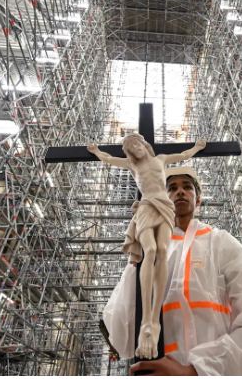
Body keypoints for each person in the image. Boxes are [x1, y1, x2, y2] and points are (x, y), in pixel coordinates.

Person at [103, 166, 242, 375]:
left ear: (198, 199)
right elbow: (121, 334)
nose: (180, 192)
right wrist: (136, 261)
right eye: (172, 188)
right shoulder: (152, 250)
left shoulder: (221, 243)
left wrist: (196, 371)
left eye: (187, 187)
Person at [88, 136, 206, 359]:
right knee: (149, 251)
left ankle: (154, 318)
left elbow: (182, 156)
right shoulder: (132, 165)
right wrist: (96, 151)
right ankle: (146, 322)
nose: (136, 149)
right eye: (131, 147)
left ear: (145, 145)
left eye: (137, 144)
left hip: (164, 205)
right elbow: (109, 159)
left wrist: (197, 148)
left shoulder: (160, 159)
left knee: (162, 250)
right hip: (146, 206)